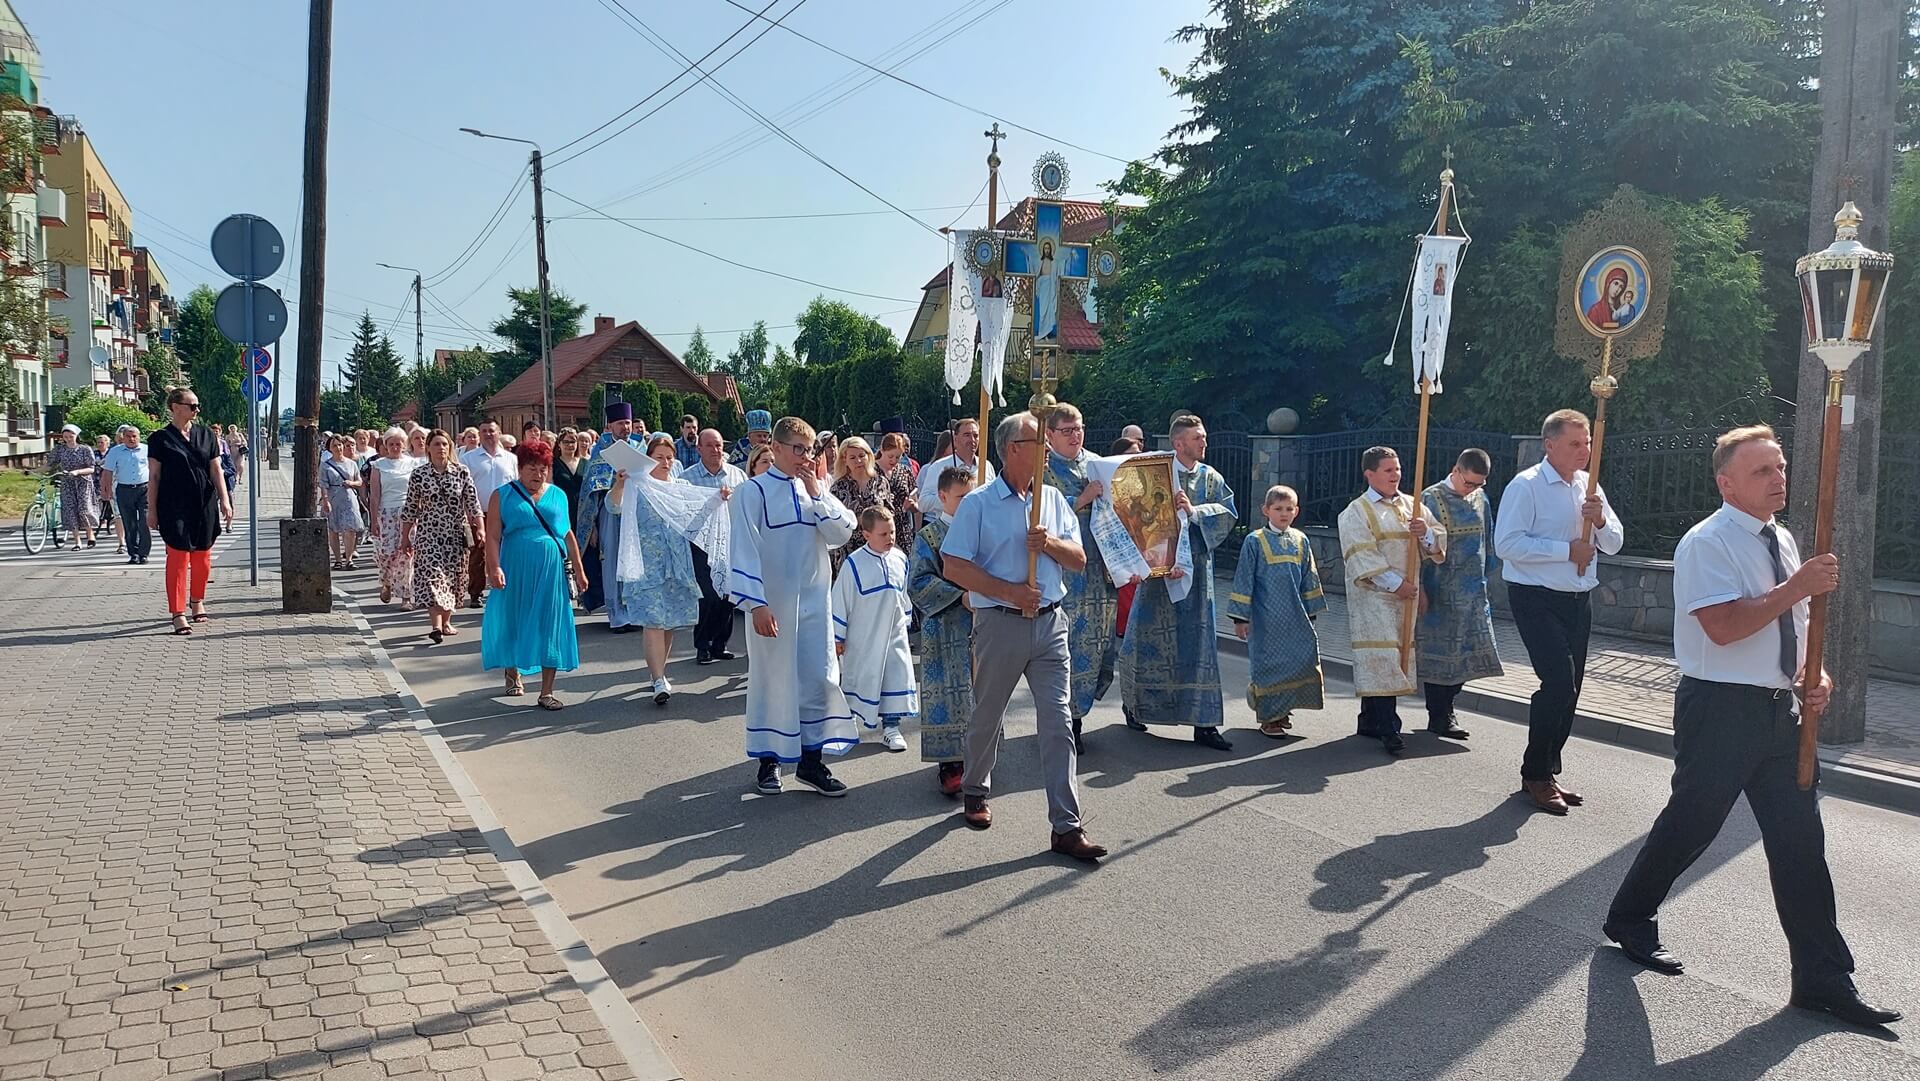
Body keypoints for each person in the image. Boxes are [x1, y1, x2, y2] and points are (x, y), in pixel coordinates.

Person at [1603, 426, 1902, 1029]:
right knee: (1693, 824)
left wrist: (1814, 677)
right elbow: (1723, 627)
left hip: (1779, 712)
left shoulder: (1785, 539)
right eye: (1763, 470)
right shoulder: (1706, 542)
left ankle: (1822, 978)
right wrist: (1798, 585)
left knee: (1800, 845)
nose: (1779, 478)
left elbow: (1792, 626)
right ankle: (1630, 916)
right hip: (1719, 710)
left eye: (1782, 467)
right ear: (1727, 483)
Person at [941, 413, 1104, 861]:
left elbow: (1078, 559)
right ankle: (975, 788)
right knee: (989, 714)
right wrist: (1010, 591)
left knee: (1058, 724)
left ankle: (1066, 827)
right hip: (1000, 624)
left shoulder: (1051, 499)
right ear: (1014, 447)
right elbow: (953, 564)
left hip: (1051, 625)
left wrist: (1047, 544)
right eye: (1039, 441)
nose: (1048, 449)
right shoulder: (978, 503)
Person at [1494, 409, 1623, 814]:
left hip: (1577, 599)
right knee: (1559, 684)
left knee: (1572, 691)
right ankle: (1535, 774)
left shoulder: (1590, 486)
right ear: (1550, 446)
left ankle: (1548, 769)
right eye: (1575, 443)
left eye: (1587, 443)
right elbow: (1507, 544)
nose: (1584, 451)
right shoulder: (1526, 486)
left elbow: (1616, 542)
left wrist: (1599, 520)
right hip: (1535, 597)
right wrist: (1566, 550)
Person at [729, 416, 859, 796]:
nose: (804, 456)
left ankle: (811, 762)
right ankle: (769, 762)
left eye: (809, 449)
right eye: (797, 449)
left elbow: (842, 532)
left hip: (816, 605)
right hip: (775, 607)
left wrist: (818, 492)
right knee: (774, 679)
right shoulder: (751, 492)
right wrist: (755, 605)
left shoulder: (814, 489)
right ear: (777, 448)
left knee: (818, 679)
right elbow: (743, 550)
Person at [1119, 414, 1238, 751]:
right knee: (1146, 640)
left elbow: (1229, 512)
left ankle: (1205, 723)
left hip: (1197, 572)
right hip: (1158, 575)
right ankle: (1136, 706)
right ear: (1178, 443)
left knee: (1199, 642)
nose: (1203, 442)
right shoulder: (1156, 474)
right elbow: (1135, 517)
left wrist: (1196, 510)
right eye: (1197, 438)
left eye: (1203, 436)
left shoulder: (1211, 477)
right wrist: (1160, 558)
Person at [1336, 446, 1444, 755]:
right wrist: (1397, 585)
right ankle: (1389, 728)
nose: (1396, 475)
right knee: (1382, 659)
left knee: (1393, 657)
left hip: (1406, 595)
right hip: (1374, 596)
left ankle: (1369, 719)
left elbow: (1437, 544)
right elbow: (1361, 555)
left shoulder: (1414, 505)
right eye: (1388, 470)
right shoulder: (1355, 511)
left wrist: (1424, 533)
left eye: (1397, 469)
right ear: (1369, 474)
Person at [482, 440, 589, 710]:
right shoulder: (502, 495)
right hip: (515, 567)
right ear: (520, 468)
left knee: (550, 623)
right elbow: (493, 536)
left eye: (543, 468)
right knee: (514, 618)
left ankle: (547, 691)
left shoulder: (558, 496)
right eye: (532, 467)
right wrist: (494, 567)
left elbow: (567, 533)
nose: (538, 473)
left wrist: (579, 569)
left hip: (551, 570)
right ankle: (512, 670)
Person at [1041, 403, 1118, 754]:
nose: (1076, 436)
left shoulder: (1097, 464)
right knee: (1067, 649)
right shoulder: (1041, 471)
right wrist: (1080, 499)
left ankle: (1078, 714)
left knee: (1098, 645)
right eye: (1068, 430)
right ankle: (1067, 722)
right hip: (1065, 574)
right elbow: (1036, 516)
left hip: (1101, 572)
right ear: (1049, 435)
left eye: (1079, 429)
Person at [1226, 486, 1326, 738]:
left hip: (1295, 617)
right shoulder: (1254, 541)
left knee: (1298, 663)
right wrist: (1241, 617)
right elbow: (1244, 579)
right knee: (1269, 665)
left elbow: (1309, 578)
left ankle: (1282, 711)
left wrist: (1311, 612)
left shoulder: (1301, 540)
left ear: (1296, 511)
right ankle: (1269, 717)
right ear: (1266, 510)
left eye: (1289, 509)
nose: (1284, 513)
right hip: (1265, 618)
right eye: (1278, 508)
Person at [1418, 449, 1503, 740]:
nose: (1473, 489)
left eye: (1479, 484)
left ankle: (1449, 707)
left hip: (1474, 592)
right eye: (1469, 483)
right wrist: (1420, 590)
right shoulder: (1431, 498)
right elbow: (1418, 548)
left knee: (1468, 657)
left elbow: (1487, 540)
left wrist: (1488, 574)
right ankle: (1439, 715)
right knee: (1441, 657)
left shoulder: (1481, 498)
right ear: (1456, 470)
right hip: (1440, 590)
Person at [613, 434, 702, 705]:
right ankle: (659, 678)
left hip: (676, 563)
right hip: (647, 565)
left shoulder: (680, 486)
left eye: (669, 456)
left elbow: (698, 514)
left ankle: (657, 674)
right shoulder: (637, 486)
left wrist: (718, 499)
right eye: (659, 456)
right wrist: (619, 485)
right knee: (653, 622)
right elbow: (613, 506)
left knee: (669, 622)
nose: (665, 461)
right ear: (648, 459)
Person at [909, 466, 975, 795]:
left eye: (972, 496)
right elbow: (918, 581)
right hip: (943, 627)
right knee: (947, 696)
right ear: (944, 497)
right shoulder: (929, 536)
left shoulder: (981, 531)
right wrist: (958, 595)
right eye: (962, 497)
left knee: (980, 692)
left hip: (979, 627)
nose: (968, 502)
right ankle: (949, 764)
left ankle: (979, 760)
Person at [832, 506, 918, 752]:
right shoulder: (854, 564)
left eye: (892, 532)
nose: (890, 538)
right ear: (866, 534)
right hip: (864, 639)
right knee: (861, 680)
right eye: (883, 534)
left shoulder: (900, 559)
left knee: (895, 677)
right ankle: (847, 725)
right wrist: (838, 637)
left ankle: (891, 727)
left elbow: (904, 594)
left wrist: (907, 621)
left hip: (894, 635)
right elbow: (840, 601)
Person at [148, 389, 232, 635]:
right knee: (177, 558)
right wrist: (151, 510)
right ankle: (178, 613)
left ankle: (197, 600)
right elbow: (154, 476)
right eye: (192, 405)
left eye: (198, 406)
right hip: (173, 505)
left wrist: (225, 500)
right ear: (175, 407)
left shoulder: (206, 435)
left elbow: (216, 469)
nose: (197, 410)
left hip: (204, 503)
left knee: (203, 558)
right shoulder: (159, 438)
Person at [399, 429, 483, 644]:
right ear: (428, 448)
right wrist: (405, 536)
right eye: (436, 444)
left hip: (455, 535)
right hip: (429, 536)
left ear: (450, 447)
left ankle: (446, 622)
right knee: (434, 580)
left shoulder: (461, 472)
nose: (441, 448)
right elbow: (410, 507)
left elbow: (473, 503)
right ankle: (436, 626)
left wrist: (480, 527)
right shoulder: (419, 474)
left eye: (444, 444)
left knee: (454, 581)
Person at [575, 403, 646, 629]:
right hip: (608, 512)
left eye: (627, 422)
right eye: (620, 423)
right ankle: (616, 615)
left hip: (635, 511)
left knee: (635, 559)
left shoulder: (640, 445)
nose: (625, 427)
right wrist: (593, 525)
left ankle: (634, 611)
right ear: (610, 426)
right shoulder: (601, 448)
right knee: (613, 560)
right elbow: (590, 488)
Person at [681, 428, 746, 665]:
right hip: (702, 543)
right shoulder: (688, 478)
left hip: (730, 541)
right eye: (709, 445)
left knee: (728, 595)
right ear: (699, 449)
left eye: (718, 445)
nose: (715, 450)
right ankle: (702, 644)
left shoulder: (737, 475)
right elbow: (684, 514)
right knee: (709, 595)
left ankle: (720, 643)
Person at [1098, 436, 1146, 702]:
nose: (1135, 458)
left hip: (1141, 565)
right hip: (1115, 567)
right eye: (1129, 454)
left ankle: (1133, 705)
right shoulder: (1107, 485)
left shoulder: (1142, 486)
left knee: (1137, 641)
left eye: (1139, 453)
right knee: (1121, 637)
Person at [460, 421, 518, 609]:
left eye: (491, 431)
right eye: (483, 431)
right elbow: (463, 489)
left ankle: (504, 588)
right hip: (479, 513)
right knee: (478, 554)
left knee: (507, 551)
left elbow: (517, 485)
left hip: (506, 512)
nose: (487, 434)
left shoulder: (510, 459)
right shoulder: (469, 459)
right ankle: (475, 593)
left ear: (498, 433)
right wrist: (467, 512)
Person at [365, 429, 421, 606]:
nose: (395, 447)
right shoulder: (379, 465)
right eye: (391, 444)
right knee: (387, 554)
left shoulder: (413, 464)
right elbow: (374, 496)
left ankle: (406, 596)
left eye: (398, 444)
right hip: (386, 513)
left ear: (404, 445)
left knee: (407, 554)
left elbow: (419, 492)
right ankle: (387, 582)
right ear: (385, 446)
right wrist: (374, 521)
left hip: (408, 514)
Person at [828, 436, 896, 577]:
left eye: (861, 455)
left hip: (877, 548)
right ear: (844, 460)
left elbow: (890, 513)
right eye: (852, 457)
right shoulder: (838, 488)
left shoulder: (880, 482)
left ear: (868, 456)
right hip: (848, 550)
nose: (858, 461)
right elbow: (833, 521)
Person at [917, 418, 994, 513]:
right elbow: (923, 504)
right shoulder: (939, 466)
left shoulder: (987, 466)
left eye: (976, 436)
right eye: (967, 435)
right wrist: (951, 499)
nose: (972, 440)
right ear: (955, 439)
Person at [101, 425, 151, 565]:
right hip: (124, 490)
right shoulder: (115, 451)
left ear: (139, 437)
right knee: (129, 523)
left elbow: (154, 469)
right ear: (123, 438)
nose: (131, 439)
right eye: (128, 436)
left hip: (144, 489)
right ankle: (133, 554)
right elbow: (108, 472)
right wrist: (107, 490)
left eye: (134, 436)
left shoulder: (146, 450)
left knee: (144, 522)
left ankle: (144, 553)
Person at [50, 424, 100, 548]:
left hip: (83, 482)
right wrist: (33, 471)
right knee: (70, 510)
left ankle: (90, 534)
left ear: (76, 435)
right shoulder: (59, 449)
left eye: (70, 436)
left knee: (84, 509)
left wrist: (78, 472)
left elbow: (91, 468)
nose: (68, 439)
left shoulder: (85, 449)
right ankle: (77, 541)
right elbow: (49, 464)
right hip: (67, 483)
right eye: (65, 436)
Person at [321, 434, 366, 570]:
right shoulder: (325, 465)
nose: (338, 447)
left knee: (350, 529)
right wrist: (325, 500)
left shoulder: (351, 463)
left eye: (339, 444)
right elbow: (323, 484)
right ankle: (338, 559)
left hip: (349, 498)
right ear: (329, 448)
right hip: (333, 498)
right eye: (334, 445)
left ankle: (349, 559)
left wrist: (351, 482)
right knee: (334, 529)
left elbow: (360, 481)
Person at [552, 429, 587, 529]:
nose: (569, 445)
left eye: (573, 442)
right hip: (561, 510)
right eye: (566, 442)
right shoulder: (553, 464)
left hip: (582, 513)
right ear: (559, 444)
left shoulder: (586, 463)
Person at [93, 434, 119, 551]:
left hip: (109, 480)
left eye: (102, 442)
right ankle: (100, 519)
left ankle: (109, 518)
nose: (100, 445)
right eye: (98, 442)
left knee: (109, 503)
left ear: (107, 443)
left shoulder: (112, 453)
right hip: (96, 480)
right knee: (97, 501)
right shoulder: (95, 453)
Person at [229, 424, 249, 489]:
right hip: (232, 451)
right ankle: (235, 478)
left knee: (240, 465)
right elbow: (226, 444)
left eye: (234, 428)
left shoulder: (240, 435)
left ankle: (240, 478)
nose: (233, 429)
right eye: (231, 428)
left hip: (240, 451)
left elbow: (245, 442)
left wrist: (239, 443)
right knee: (234, 465)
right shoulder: (228, 436)